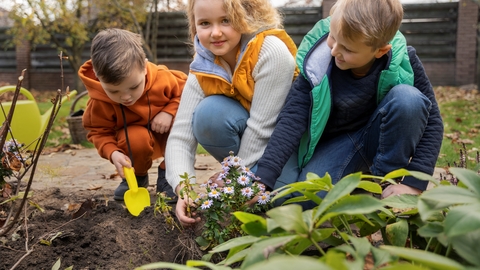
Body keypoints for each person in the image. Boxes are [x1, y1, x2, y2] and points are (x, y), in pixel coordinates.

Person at [254, 0, 444, 209]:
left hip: (379, 138)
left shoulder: (404, 62)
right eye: (333, 37)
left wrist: (414, 184)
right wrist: (265, 176)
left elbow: (433, 123)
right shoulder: (318, 63)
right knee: (305, 199)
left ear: (380, 51)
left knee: (409, 99)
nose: (334, 50)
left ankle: (384, 183)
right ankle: (355, 181)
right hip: (336, 145)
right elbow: (293, 117)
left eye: (347, 49)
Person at [167, 0, 298, 225]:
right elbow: (180, 134)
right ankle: (246, 181)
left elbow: (261, 131)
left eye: (226, 20)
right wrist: (183, 189)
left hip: (284, 148)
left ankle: (253, 183)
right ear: (194, 26)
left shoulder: (270, 51)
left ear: (245, 16)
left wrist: (231, 183)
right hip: (250, 148)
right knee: (209, 115)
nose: (215, 33)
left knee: (290, 198)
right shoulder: (203, 65)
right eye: (205, 23)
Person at [78, 28, 187, 202]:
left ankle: (169, 174)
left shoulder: (164, 78)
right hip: (133, 143)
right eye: (114, 91)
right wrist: (112, 152)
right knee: (135, 137)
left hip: (167, 134)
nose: (126, 97)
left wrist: (169, 111)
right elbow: (98, 131)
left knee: (183, 122)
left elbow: (189, 93)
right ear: (98, 78)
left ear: (144, 67)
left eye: (134, 87)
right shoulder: (99, 101)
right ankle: (136, 176)